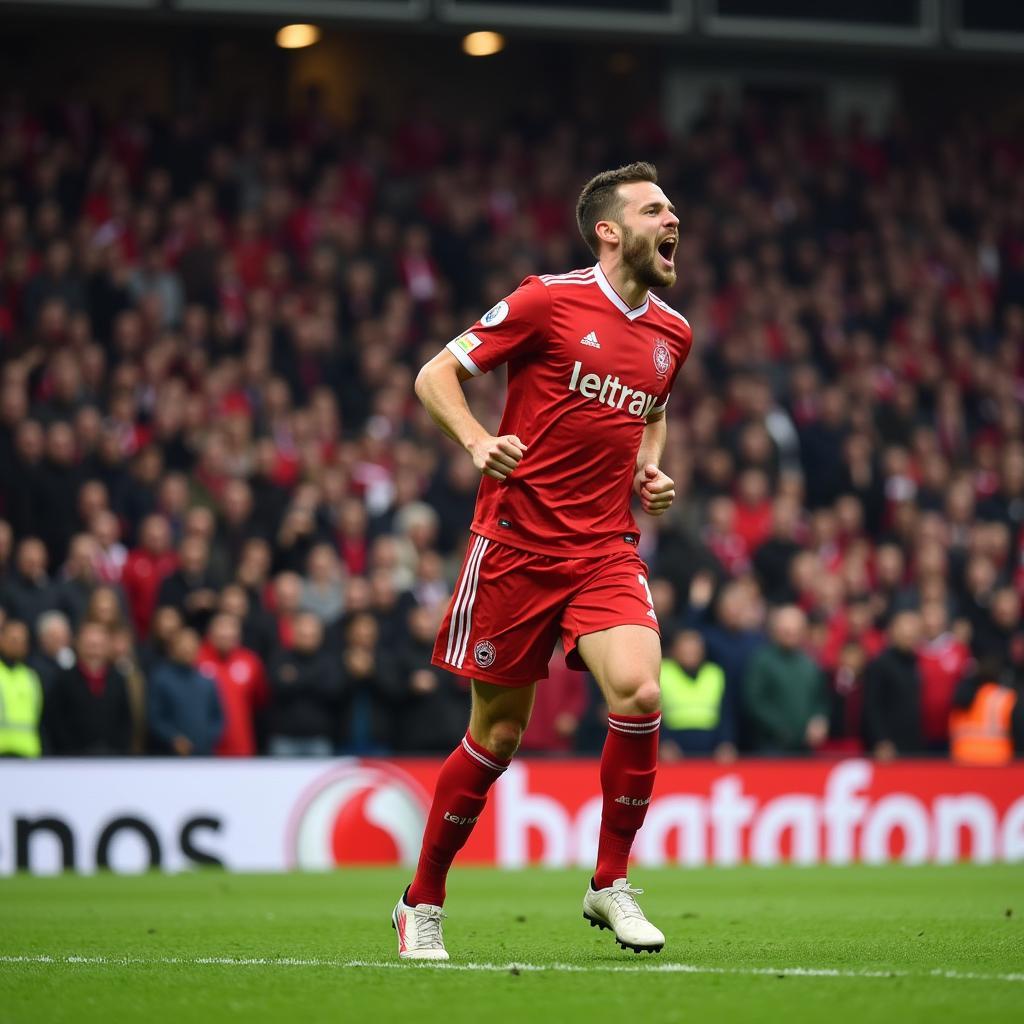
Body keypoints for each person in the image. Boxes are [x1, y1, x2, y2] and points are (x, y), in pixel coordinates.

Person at [393, 162, 689, 960]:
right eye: (655, 209)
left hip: (603, 548)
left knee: (639, 689)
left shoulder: (672, 333)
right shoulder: (547, 300)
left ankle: (610, 881)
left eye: (672, 209)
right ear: (609, 229)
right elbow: (436, 374)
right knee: (497, 736)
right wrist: (478, 440)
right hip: (516, 546)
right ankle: (421, 901)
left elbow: (653, 408)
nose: (673, 221)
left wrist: (647, 468)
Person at [743, 605, 829, 754]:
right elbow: (754, 701)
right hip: (771, 746)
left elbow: (820, 699)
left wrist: (819, 720)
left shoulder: (810, 662)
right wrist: (782, 728)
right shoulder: (762, 661)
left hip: (805, 747)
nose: (791, 634)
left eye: (795, 630)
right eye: (786, 630)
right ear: (775, 631)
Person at [44, 621, 133, 755]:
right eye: (89, 645)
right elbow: (55, 720)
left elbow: (125, 720)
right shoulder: (64, 679)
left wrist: (116, 750)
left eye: (98, 646)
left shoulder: (117, 680)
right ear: (78, 645)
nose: (94, 651)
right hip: (71, 758)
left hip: (112, 758)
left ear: (107, 647)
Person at [196, 612, 269, 756]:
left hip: (241, 746)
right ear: (210, 632)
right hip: (206, 747)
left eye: (231, 628)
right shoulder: (197, 660)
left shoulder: (250, 661)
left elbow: (260, 701)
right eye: (221, 628)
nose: (226, 633)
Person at [659, 629, 736, 762]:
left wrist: (725, 742)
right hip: (673, 744)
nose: (690, 653)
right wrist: (662, 742)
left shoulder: (714, 673)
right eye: (685, 649)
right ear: (674, 650)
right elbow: (653, 712)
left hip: (711, 744)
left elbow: (726, 712)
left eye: (694, 649)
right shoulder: (663, 671)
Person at [148, 627, 224, 756]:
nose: (187, 649)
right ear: (172, 649)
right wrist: (173, 738)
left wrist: (208, 737)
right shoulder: (161, 678)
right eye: (183, 645)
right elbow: (155, 717)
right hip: (171, 756)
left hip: (204, 755)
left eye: (192, 645)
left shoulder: (206, 680)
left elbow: (218, 717)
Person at [862, 610, 925, 759]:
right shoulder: (879, 665)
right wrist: (881, 740)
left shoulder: (918, 662)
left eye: (912, 634)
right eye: (904, 633)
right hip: (890, 747)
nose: (909, 638)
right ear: (893, 632)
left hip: (916, 743)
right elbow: (872, 706)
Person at [0, 619, 44, 757]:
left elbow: (39, 715)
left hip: (28, 753)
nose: (17, 645)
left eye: (21, 641)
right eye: (13, 640)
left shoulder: (31, 677)